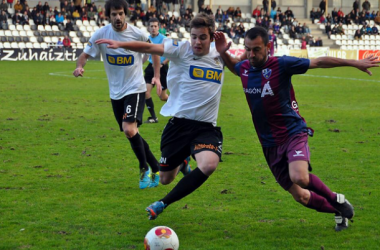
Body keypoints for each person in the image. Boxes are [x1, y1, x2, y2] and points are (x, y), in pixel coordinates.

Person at [214, 26, 379, 231]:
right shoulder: (245, 67)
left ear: (268, 47)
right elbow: (234, 68)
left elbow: (319, 62)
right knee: (300, 196)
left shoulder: (281, 64)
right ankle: (339, 211)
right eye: (248, 49)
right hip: (268, 142)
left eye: (256, 49)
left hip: (292, 131)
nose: (251, 54)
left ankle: (337, 200)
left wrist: (355, 63)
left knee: (299, 176)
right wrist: (223, 52)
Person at [96, 13, 225, 220]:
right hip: (179, 126)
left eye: (202, 37)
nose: (197, 42)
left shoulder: (221, 55)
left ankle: (162, 203)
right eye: (193, 36)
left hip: (206, 127)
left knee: (209, 164)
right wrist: (119, 43)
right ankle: (182, 161)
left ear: (211, 37)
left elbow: (244, 63)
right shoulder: (181, 48)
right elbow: (149, 48)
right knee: (166, 178)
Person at [73, 0, 163, 190]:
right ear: (108, 16)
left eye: (121, 13)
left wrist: (156, 76)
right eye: (114, 14)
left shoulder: (137, 34)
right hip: (116, 93)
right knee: (131, 132)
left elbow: (154, 51)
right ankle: (156, 166)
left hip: (135, 88)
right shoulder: (101, 34)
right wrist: (80, 66)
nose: (118, 17)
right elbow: (84, 54)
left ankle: (143, 167)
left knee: (129, 129)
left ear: (126, 14)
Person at [142, 17, 170, 124]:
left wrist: (163, 63)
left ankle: (177, 103)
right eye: (151, 26)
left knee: (162, 97)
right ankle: (153, 117)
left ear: (159, 27)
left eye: (155, 26)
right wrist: (139, 64)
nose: (153, 28)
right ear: (148, 28)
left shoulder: (164, 39)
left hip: (162, 69)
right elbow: (146, 54)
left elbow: (170, 56)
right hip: (150, 67)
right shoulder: (147, 39)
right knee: (145, 92)